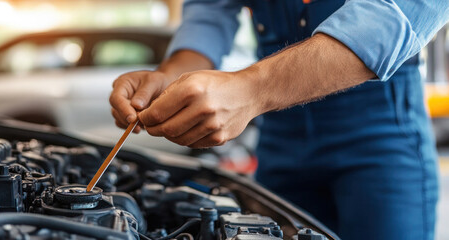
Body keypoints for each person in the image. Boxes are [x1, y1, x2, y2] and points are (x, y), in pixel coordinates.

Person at [109, 0, 449, 239]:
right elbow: (209, 14)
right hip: (279, 144)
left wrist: (251, 89)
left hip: (382, 142)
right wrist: (171, 78)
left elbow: (391, 16)